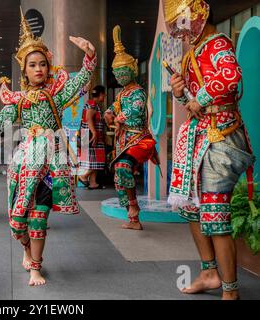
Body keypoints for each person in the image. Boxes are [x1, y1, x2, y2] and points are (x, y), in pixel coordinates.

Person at [0, 11, 97, 286]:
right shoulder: (18, 100)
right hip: (25, 163)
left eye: (42, 63)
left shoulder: (57, 94)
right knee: (18, 221)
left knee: (39, 217)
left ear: (47, 67)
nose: (39, 68)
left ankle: (36, 267)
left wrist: (89, 58)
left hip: (52, 162)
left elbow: (77, 84)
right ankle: (27, 251)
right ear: (25, 70)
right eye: (32, 65)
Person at [164, 0, 255, 300]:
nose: (181, 29)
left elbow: (231, 77)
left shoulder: (218, 44)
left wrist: (198, 97)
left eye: (183, 21)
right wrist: (180, 93)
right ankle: (209, 273)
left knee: (215, 213)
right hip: (200, 138)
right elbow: (192, 103)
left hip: (221, 138)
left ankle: (231, 291)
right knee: (193, 209)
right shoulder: (194, 53)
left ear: (198, 16)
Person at [104, 25, 158, 231]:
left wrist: (118, 118)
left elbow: (135, 111)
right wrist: (109, 114)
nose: (119, 75)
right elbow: (111, 109)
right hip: (123, 141)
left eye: (123, 71)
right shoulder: (121, 94)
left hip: (139, 139)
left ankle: (134, 208)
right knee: (119, 177)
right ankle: (133, 219)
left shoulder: (139, 92)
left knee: (123, 168)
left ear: (133, 70)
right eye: (116, 72)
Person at [78, 85, 107, 189]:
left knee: (94, 160)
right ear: (101, 94)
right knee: (98, 160)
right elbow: (89, 118)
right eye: (104, 94)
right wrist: (94, 133)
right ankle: (83, 176)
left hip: (87, 135)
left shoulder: (91, 103)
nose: (104, 97)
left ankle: (93, 183)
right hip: (91, 136)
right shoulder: (93, 104)